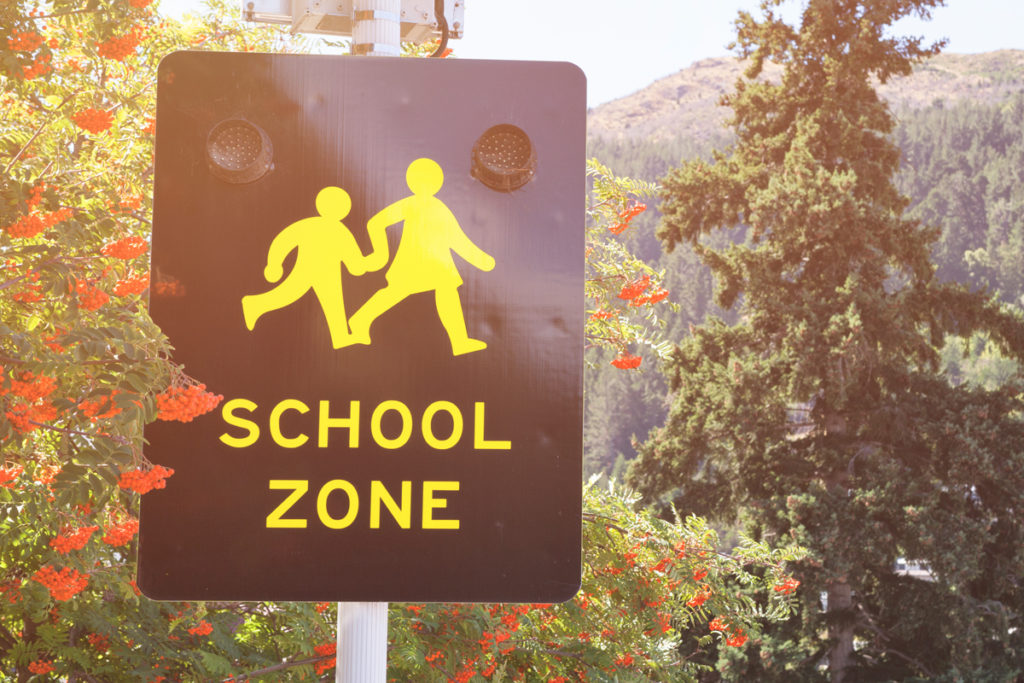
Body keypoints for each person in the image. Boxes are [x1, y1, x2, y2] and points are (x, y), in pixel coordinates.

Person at [348, 157, 495, 356]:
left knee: (444, 292)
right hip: (415, 262)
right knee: (396, 293)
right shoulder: (412, 205)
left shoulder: (438, 207)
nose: (428, 184)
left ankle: (459, 341)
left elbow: (455, 238)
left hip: (435, 263)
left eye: (431, 180)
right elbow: (376, 223)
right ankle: (360, 319)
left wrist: (479, 259)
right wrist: (380, 253)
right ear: (412, 182)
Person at [241, 186, 367, 348]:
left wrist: (275, 264)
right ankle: (254, 305)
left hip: (328, 275)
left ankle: (340, 336)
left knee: (333, 303)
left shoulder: (329, 229)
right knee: (290, 294)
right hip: (308, 271)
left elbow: (283, 241)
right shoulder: (337, 230)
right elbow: (284, 241)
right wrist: (274, 265)